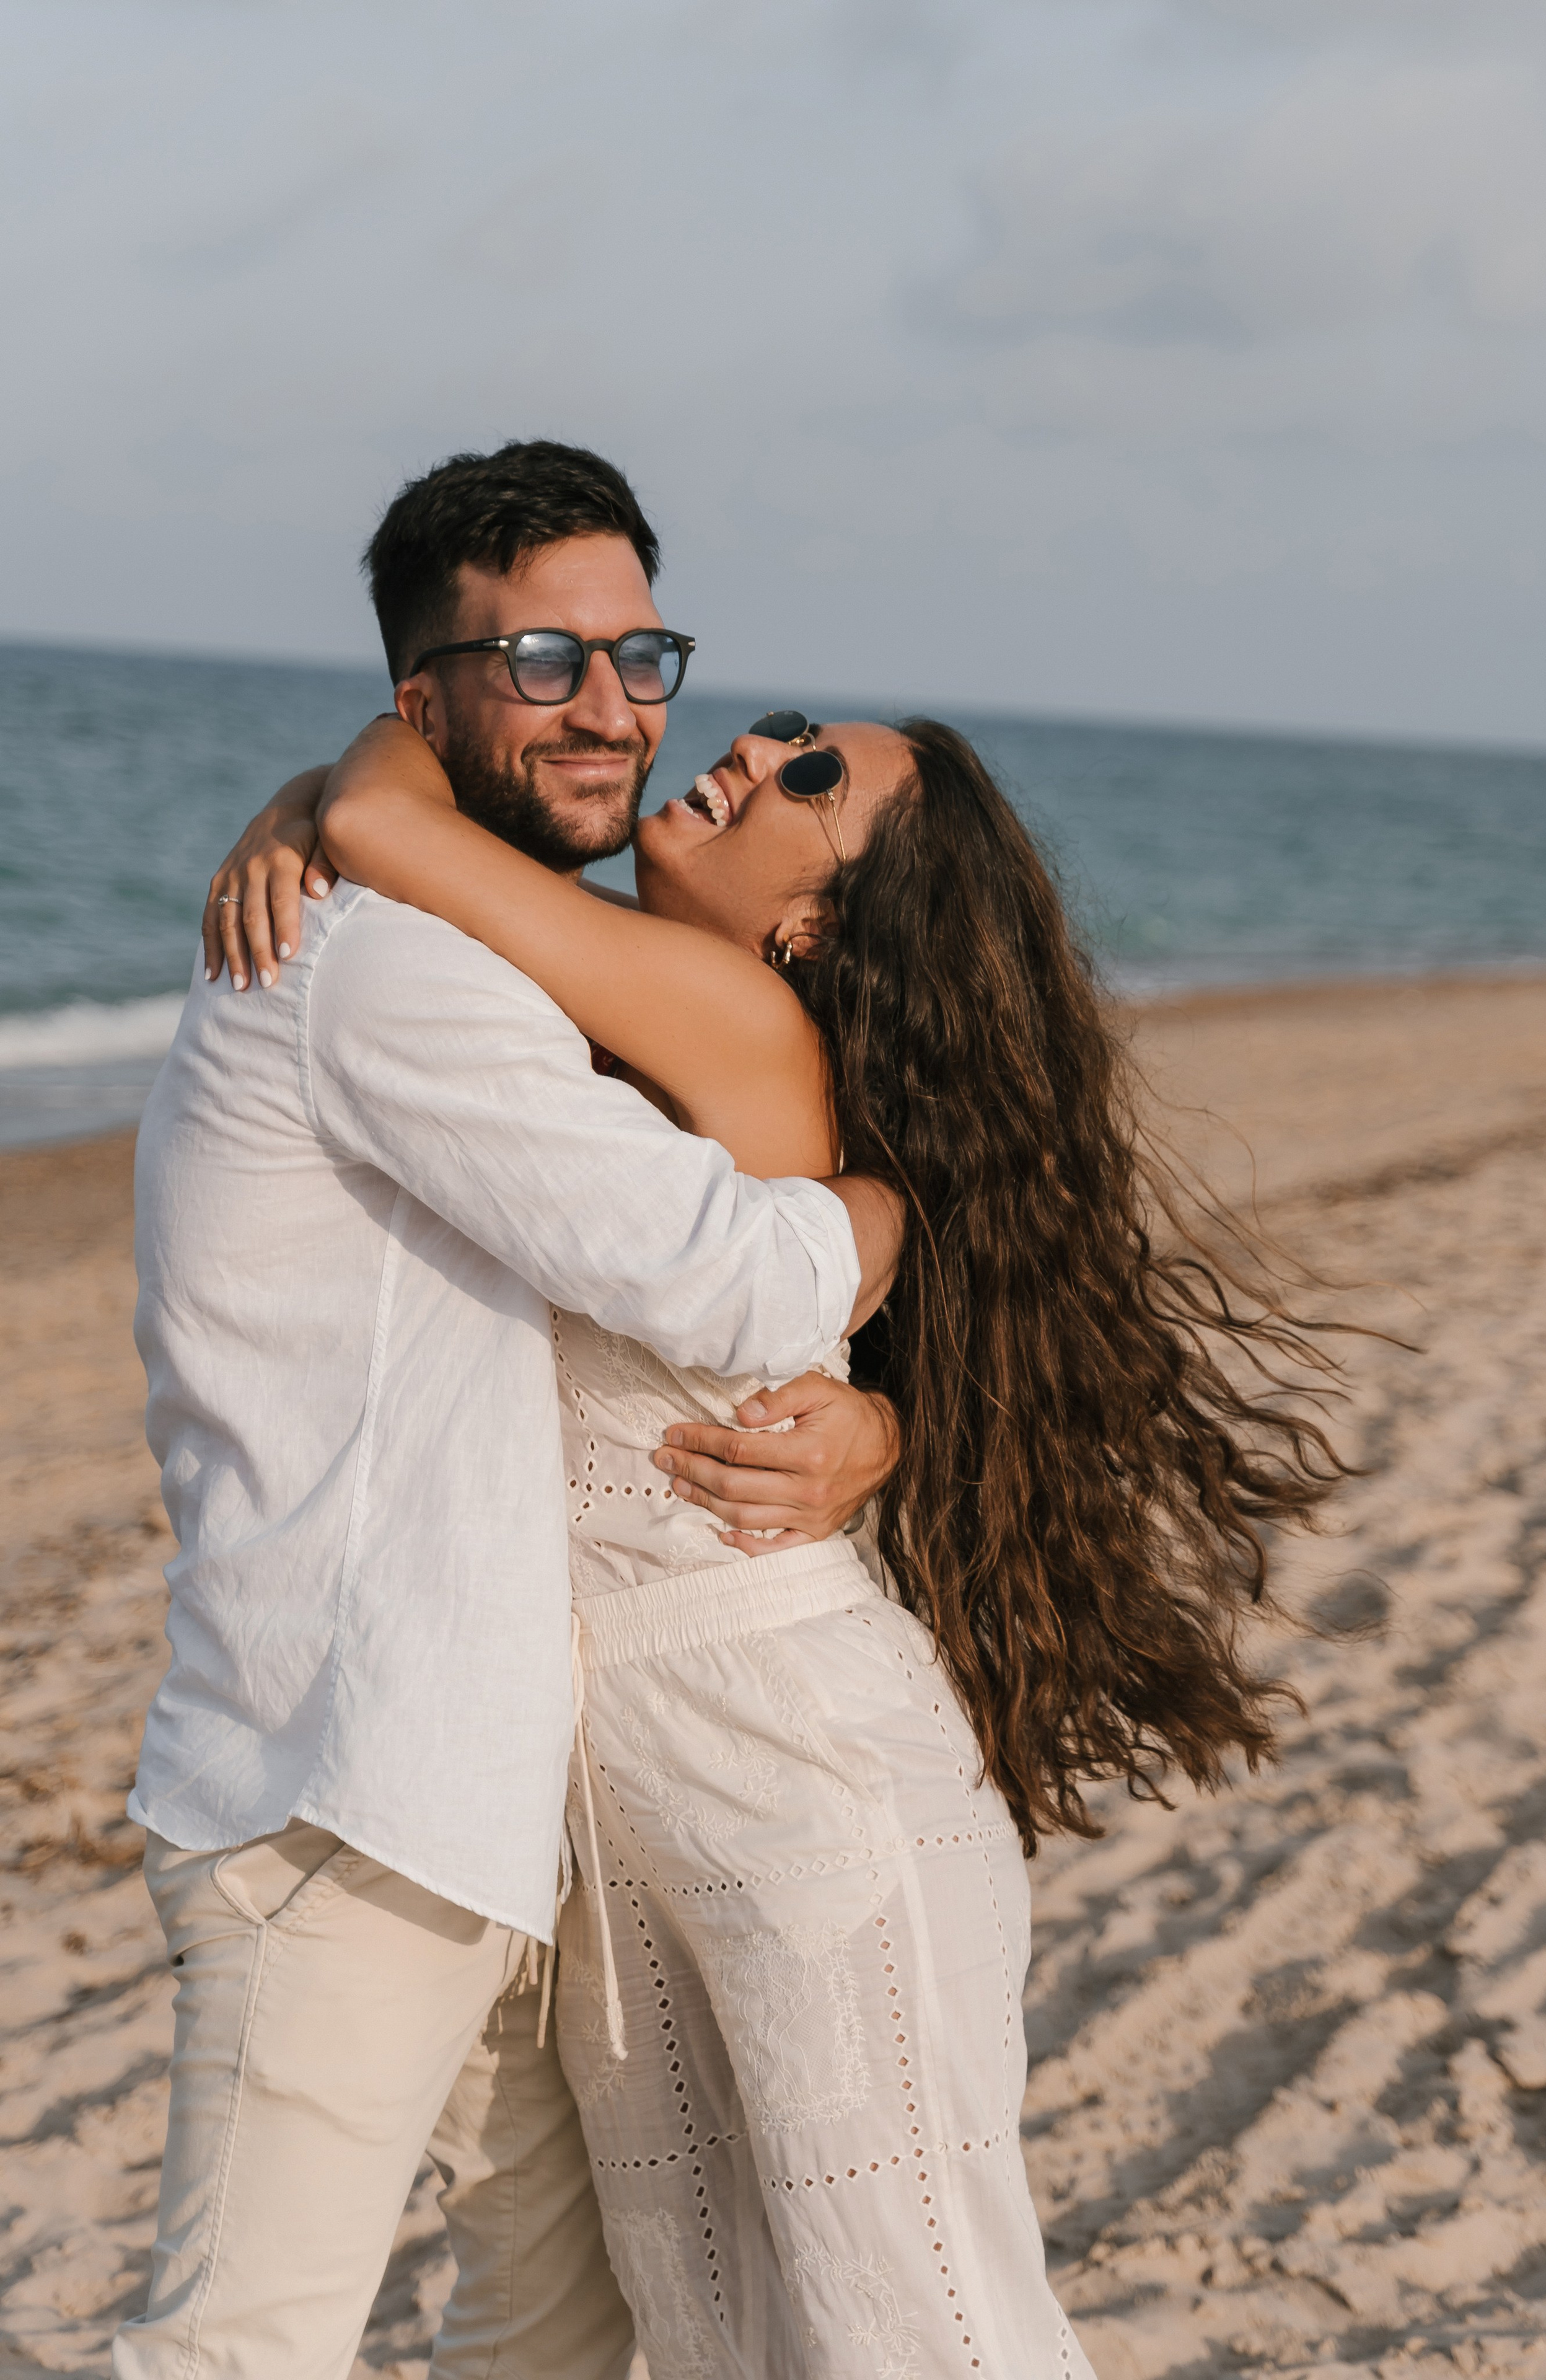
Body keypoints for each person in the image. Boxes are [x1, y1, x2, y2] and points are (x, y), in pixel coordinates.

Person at [214, 670, 1348, 2367]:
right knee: (726, 2327)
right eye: (786, 728)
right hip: (626, 1778)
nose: (746, 744)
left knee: (924, 2321)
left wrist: (319, 786)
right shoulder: (616, 1006)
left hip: (787, 1748)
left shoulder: (713, 1009)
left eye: (807, 773)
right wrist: (888, 1403)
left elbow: (391, 818)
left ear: (820, 922)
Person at [115, 441, 902, 2380]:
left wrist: (877, 1436)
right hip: (342, 1791)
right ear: (429, 697)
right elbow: (725, 1277)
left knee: (551, 2339)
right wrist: (895, 1208)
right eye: (544, 661)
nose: (614, 710)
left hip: (484, 1793)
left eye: (642, 660)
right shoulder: (386, 973)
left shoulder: (476, 948)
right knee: (236, 2351)